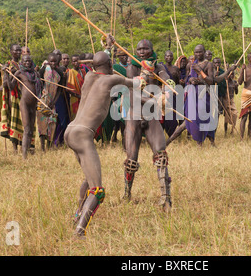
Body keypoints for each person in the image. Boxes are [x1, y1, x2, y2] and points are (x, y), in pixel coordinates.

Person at [65, 50, 142, 237]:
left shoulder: (90, 76)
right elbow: (136, 84)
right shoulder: (111, 80)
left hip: (71, 131)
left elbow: (103, 65)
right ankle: (80, 231)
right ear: (109, 65)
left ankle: (78, 215)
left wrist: (108, 46)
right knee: (98, 190)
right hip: (83, 134)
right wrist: (145, 75)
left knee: (89, 176)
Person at [123, 39, 175, 212]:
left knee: (161, 155)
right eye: (139, 49)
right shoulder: (132, 67)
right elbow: (133, 95)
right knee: (131, 160)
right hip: (134, 115)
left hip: (151, 115)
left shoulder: (158, 67)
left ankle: (165, 198)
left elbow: (166, 78)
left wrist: (168, 89)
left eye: (146, 48)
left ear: (152, 49)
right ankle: (127, 193)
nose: (142, 51)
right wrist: (155, 99)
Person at [5, 54, 42, 159]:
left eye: (29, 61)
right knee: (26, 129)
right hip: (24, 103)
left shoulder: (35, 73)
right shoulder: (19, 73)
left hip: (33, 104)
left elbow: (40, 86)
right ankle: (24, 156)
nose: (28, 63)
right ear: (22, 62)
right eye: (25, 61)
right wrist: (7, 74)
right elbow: (11, 87)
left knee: (31, 129)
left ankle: (28, 151)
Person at [37, 53, 64, 151]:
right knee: (42, 123)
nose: (53, 63)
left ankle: (49, 144)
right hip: (43, 101)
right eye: (51, 61)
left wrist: (54, 101)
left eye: (55, 61)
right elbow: (38, 83)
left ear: (57, 62)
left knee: (52, 122)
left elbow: (60, 89)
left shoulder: (59, 73)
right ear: (48, 61)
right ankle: (42, 147)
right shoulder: (44, 70)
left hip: (52, 101)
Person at [0, 44, 24, 152]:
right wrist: (10, 74)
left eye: (20, 50)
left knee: (22, 120)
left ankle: (22, 144)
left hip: (23, 96)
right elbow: (5, 84)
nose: (18, 52)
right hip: (13, 96)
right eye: (16, 50)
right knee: (14, 118)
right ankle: (15, 148)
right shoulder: (8, 65)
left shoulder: (22, 65)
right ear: (11, 52)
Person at [67, 54, 87, 122]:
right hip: (75, 98)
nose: (76, 62)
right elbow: (68, 88)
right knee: (75, 118)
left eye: (78, 60)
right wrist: (78, 96)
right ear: (72, 62)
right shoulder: (70, 72)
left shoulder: (83, 71)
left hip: (84, 98)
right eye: (74, 61)